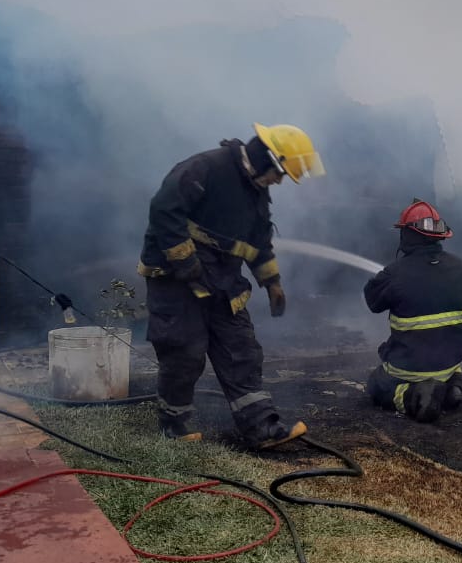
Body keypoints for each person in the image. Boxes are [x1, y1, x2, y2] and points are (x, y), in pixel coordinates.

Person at [137, 123, 325, 449]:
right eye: (280, 173)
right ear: (268, 159)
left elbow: (258, 242)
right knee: (184, 352)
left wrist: (272, 281)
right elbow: (164, 210)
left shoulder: (255, 191)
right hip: (177, 280)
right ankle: (175, 427)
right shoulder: (206, 168)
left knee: (242, 351)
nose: (279, 181)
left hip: (224, 280)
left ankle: (262, 428)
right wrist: (184, 261)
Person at [364, 199, 462, 423]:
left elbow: (373, 303)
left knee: (376, 385)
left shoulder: (394, 274)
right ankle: (453, 387)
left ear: (408, 235)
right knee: (445, 346)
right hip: (449, 363)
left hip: (411, 366)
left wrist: (380, 281)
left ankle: (415, 396)